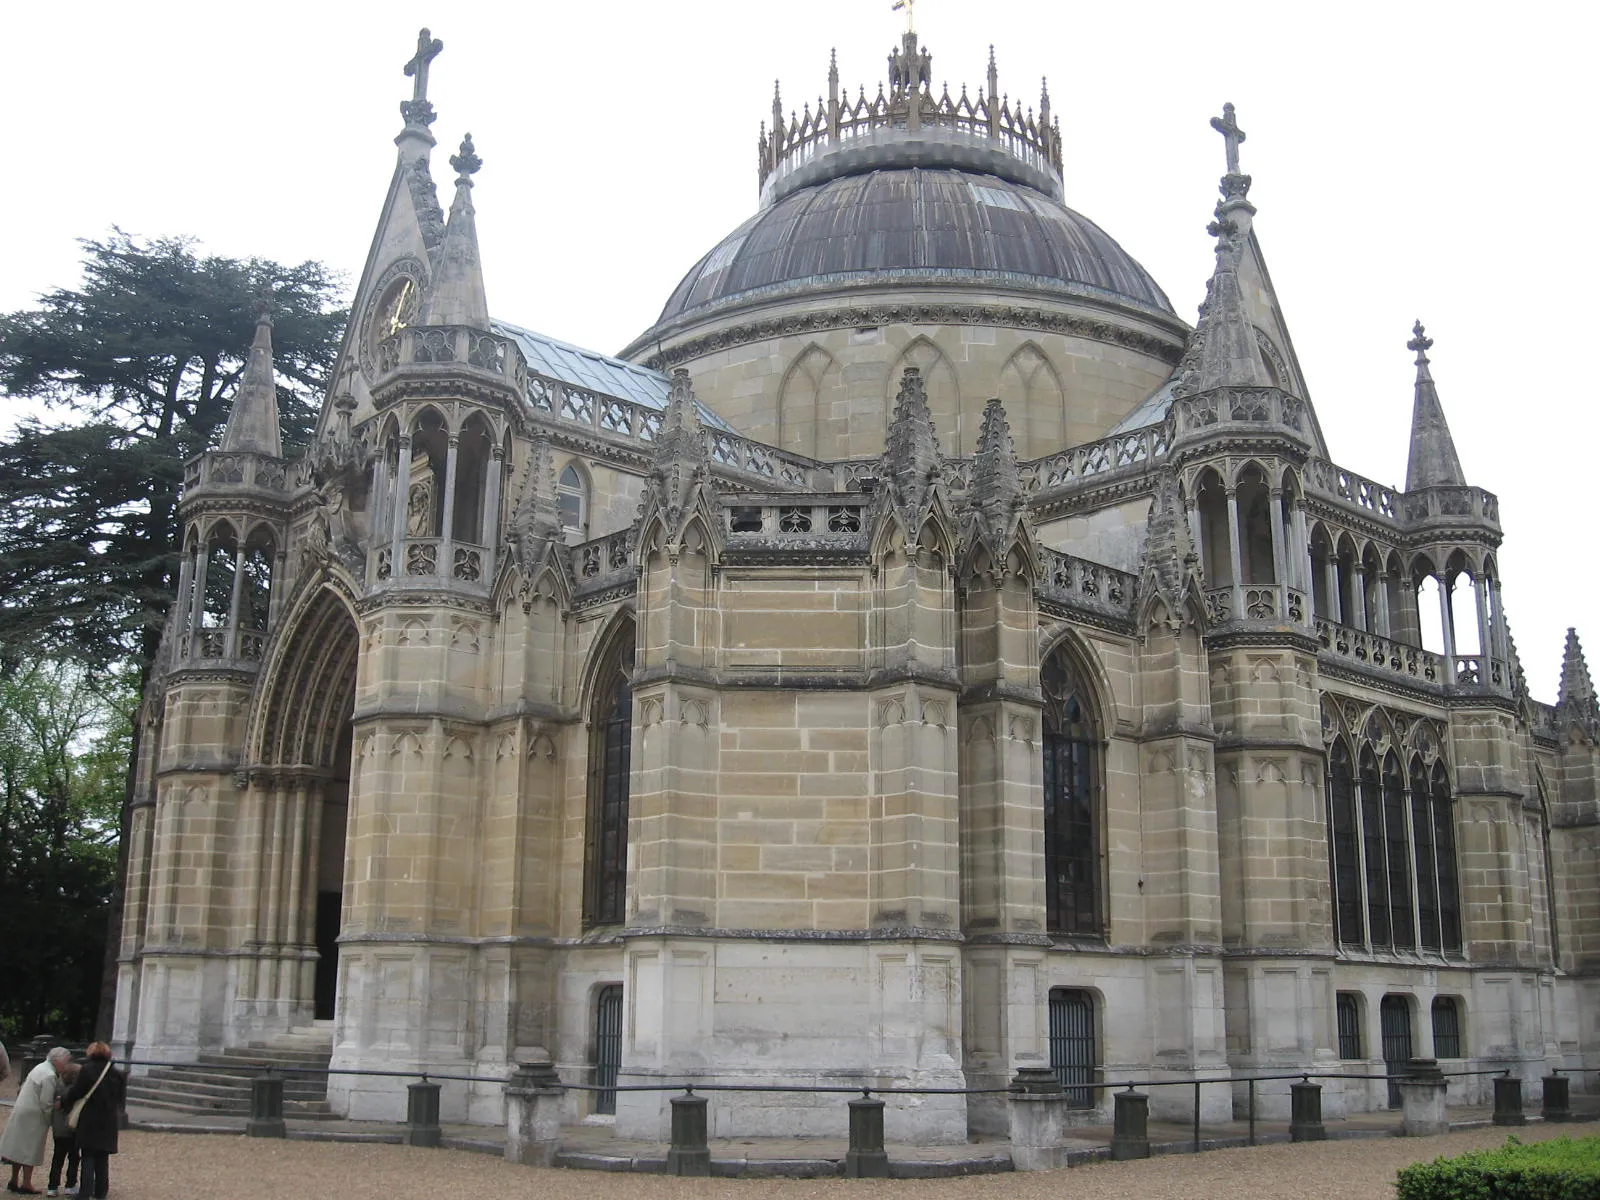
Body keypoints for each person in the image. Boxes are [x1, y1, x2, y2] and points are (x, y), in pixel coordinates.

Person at [0, 1048, 69, 1195]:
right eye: (65, 1061)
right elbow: (46, 1103)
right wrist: (52, 1121)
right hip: (34, 1115)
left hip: (23, 1109)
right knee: (30, 1150)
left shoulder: (40, 1067)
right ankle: (26, 1183)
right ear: (58, 1061)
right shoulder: (49, 1075)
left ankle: (13, 1179)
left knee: (18, 1147)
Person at [58, 1044, 122, 1200]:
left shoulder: (87, 1070)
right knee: (102, 1157)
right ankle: (101, 1191)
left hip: (89, 1117)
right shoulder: (117, 1073)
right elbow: (120, 1098)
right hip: (108, 1119)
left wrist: (65, 1104)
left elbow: (77, 1091)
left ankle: (85, 1192)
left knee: (88, 1156)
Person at [44, 1063, 80, 1199]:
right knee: (74, 1158)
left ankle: (52, 1186)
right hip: (72, 1129)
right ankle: (70, 1185)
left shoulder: (57, 1086)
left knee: (57, 1159)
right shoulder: (75, 1091)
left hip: (58, 1130)